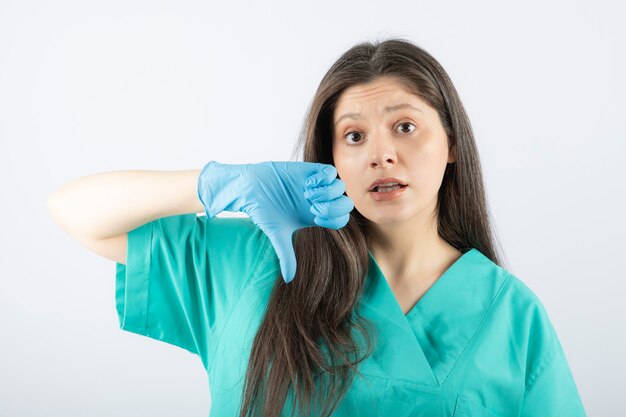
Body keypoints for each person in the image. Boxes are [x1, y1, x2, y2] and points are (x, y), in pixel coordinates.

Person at [47, 38, 587, 417]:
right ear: (329, 158)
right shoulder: (256, 264)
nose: (381, 154)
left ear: (450, 145)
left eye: (405, 127)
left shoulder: (512, 318)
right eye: (354, 136)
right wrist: (215, 184)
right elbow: (75, 212)